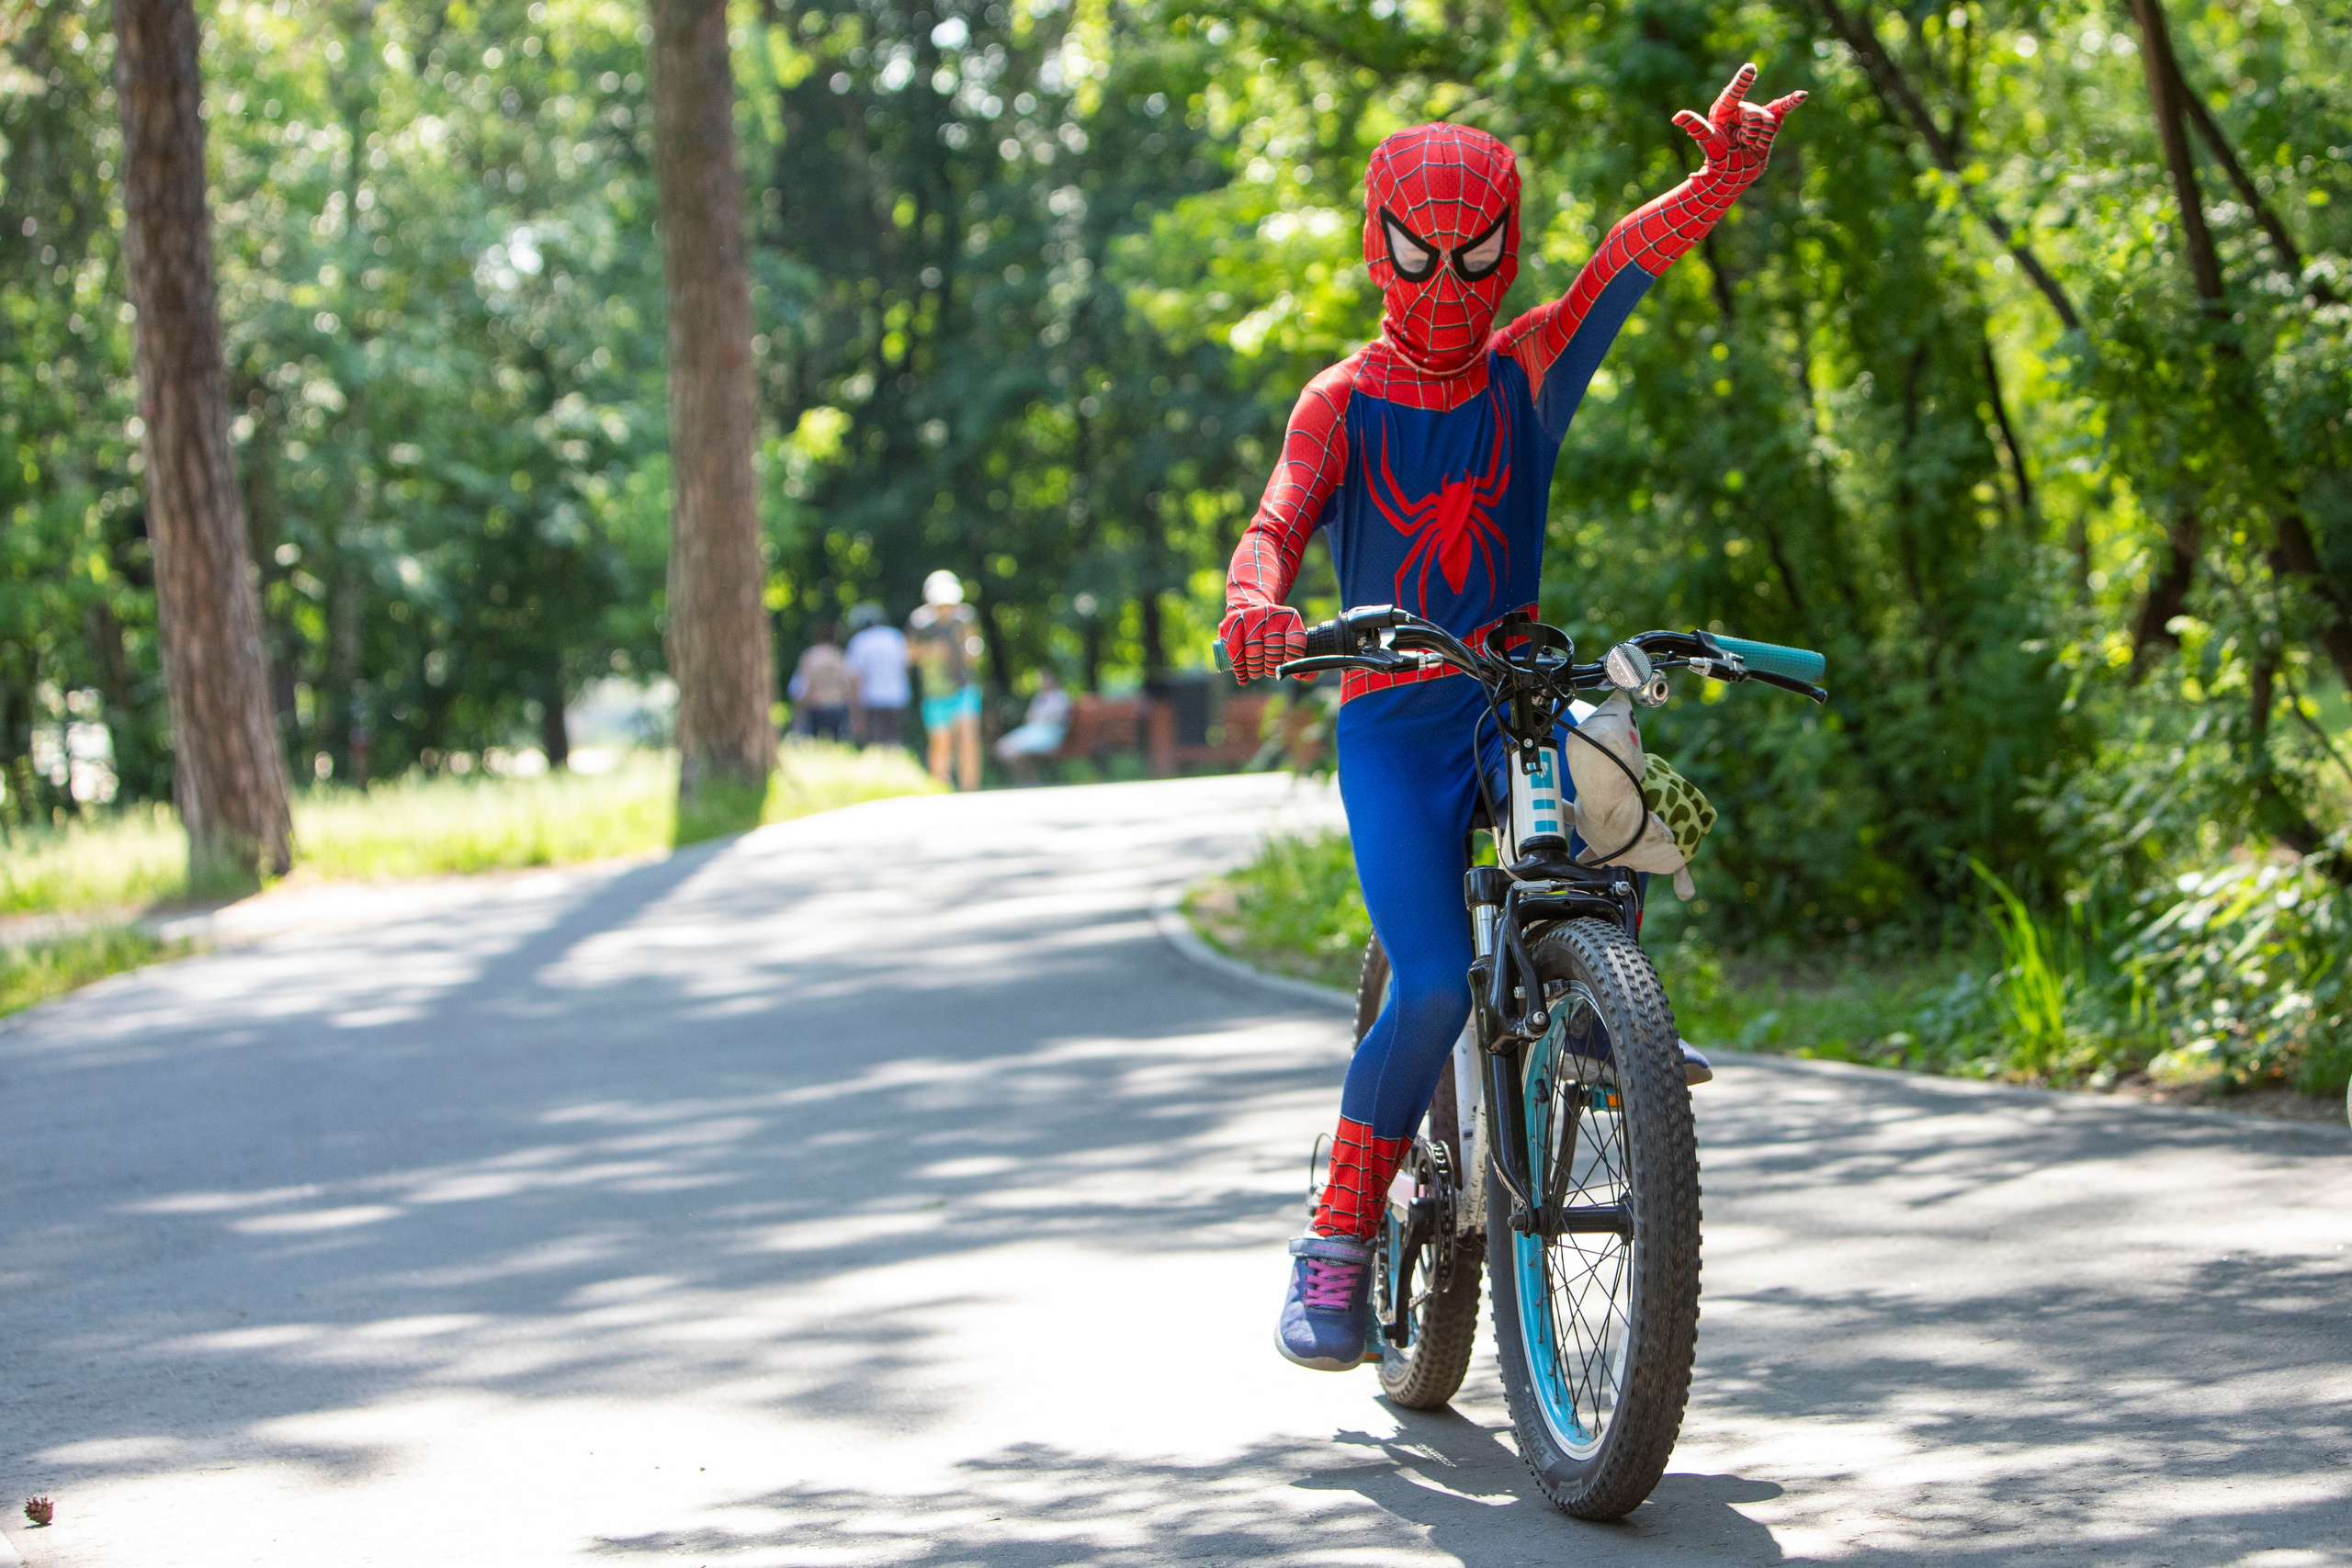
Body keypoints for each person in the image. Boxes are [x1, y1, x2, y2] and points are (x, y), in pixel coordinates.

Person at [1218, 68, 1804, 1371]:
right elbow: (1275, 525)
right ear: (1380, 241)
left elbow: (1618, 268)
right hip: (1389, 719)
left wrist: (1717, 182)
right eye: (1421, 252)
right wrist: (1258, 603)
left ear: (1504, 246)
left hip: (1513, 696)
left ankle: (1610, 1018)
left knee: (1609, 793)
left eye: (1474, 253)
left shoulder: (1528, 367)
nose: (1446, 279)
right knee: (1427, 978)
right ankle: (1337, 1232)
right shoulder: (1342, 397)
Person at [908, 570, 985, 791]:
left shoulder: (966, 616)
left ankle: (970, 789)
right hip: (935, 691)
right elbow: (908, 654)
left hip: (963, 686)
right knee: (940, 743)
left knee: (969, 738)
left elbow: (974, 644)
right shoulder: (919, 622)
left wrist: (972, 649)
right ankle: (941, 790)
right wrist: (931, 651)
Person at [842, 602, 910, 750]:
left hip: (872, 699)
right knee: (895, 742)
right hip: (897, 697)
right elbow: (906, 666)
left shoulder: (859, 641)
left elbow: (855, 678)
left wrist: (854, 710)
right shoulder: (895, 636)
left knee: (875, 745)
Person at [992, 669, 1072, 783]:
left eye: (1045, 678)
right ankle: (1029, 781)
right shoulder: (1038, 698)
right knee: (1004, 749)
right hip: (1033, 731)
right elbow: (1029, 717)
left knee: (1014, 751)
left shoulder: (1060, 697)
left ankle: (1030, 781)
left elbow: (1058, 719)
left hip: (1048, 735)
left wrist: (1041, 718)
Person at [787, 624, 855, 742]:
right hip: (837, 707)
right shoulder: (840, 657)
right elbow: (847, 685)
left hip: (815, 707)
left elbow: (800, 686)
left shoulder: (809, 656)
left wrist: (798, 714)